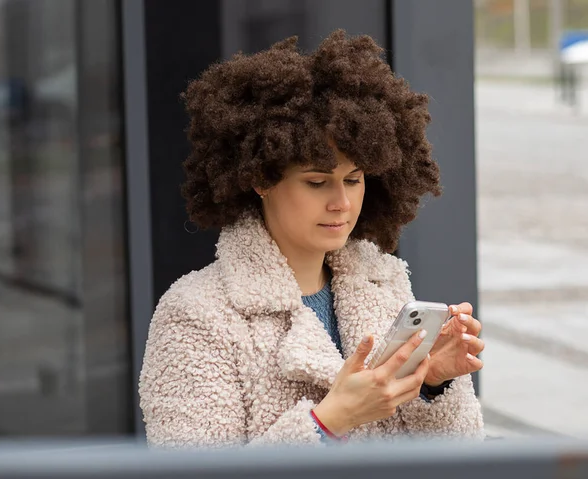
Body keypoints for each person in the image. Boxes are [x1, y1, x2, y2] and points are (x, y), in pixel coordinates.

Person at [139, 30, 485, 448]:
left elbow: (462, 457)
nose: (341, 202)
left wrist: (432, 384)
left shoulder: (384, 286)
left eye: (354, 180)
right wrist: (329, 421)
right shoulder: (196, 314)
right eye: (317, 182)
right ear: (260, 180)